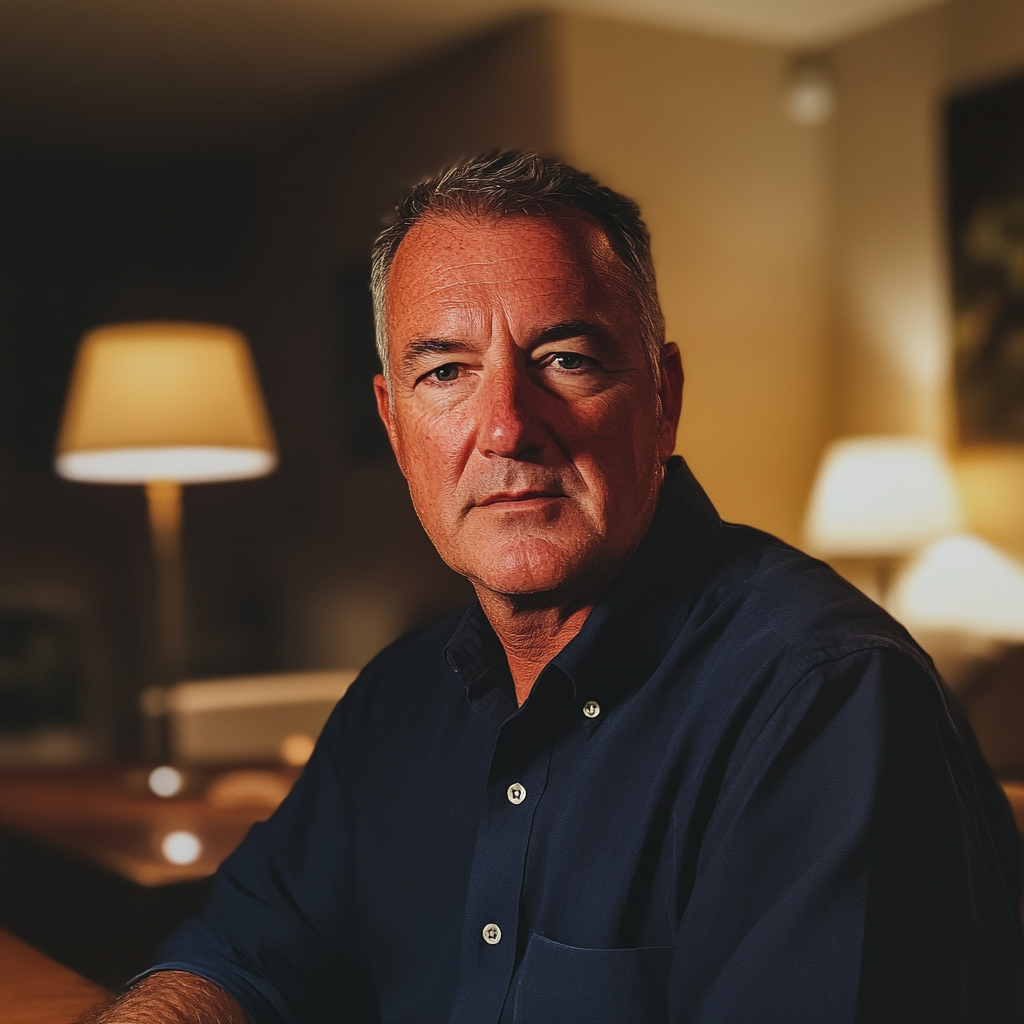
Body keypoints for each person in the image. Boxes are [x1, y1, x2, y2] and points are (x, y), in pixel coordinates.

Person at [83, 151, 1023, 1024]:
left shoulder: (827, 703)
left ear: (664, 399)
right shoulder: (397, 699)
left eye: (566, 360)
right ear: (393, 422)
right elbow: (242, 951)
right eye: (446, 372)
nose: (505, 429)